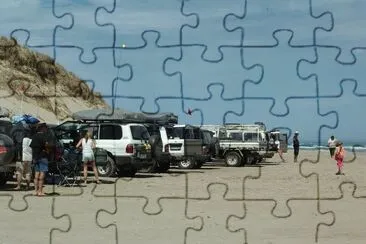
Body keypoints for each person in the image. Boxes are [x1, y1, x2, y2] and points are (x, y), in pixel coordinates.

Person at [29, 123, 50, 196]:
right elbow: (47, 145)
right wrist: (47, 150)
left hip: (35, 157)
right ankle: (40, 191)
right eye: (45, 128)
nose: (46, 129)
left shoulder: (34, 136)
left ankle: (35, 191)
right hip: (43, 157)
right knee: (42, 174)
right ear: (42, 128)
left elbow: (31, 147)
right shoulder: (44, 136)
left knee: (36, 174)